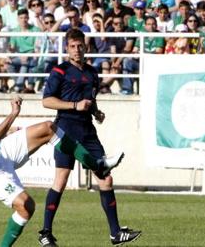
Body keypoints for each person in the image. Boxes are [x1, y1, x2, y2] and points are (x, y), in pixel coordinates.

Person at [0, 88, 122, 247]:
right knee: (26, 206)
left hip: (0, 149)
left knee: (48, 128)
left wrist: (7, 132)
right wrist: (12, 115)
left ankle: (97, 165)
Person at [38, 29, 141, 247]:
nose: (77, 50)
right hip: (65, 128)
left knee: (105, 178)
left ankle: (115, 233)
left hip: (87, 131)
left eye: (80, 45)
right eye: (73, 46)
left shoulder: (93, 73)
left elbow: (90, 100)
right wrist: (74, 105)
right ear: (67, 48)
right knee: (61, 179)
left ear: (86, 47)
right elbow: (47, 101)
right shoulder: (59, 70)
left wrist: (96, 112)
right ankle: (45, 233)